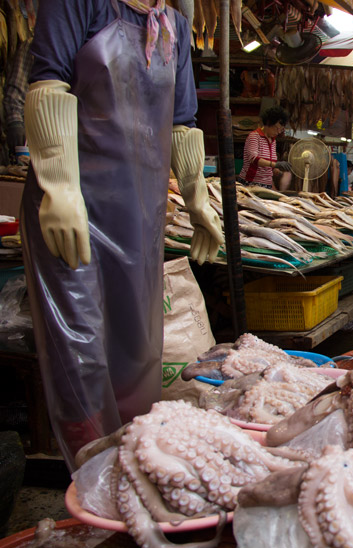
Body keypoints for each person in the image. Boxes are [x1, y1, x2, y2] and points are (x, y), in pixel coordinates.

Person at [21, 0, 224, 470]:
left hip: (139, 212)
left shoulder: (174, 25)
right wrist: (59, 185)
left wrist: (197, 199)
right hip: (72, 207)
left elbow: (181, 122)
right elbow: (48, 83)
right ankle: (92, 471)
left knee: (138, 349)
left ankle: (134, 465)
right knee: (81, 351)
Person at [238, 106, 290, 190]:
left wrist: (278, 171)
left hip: (266, 185)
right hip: (250, 183)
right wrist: (275, 164)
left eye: (281, 129)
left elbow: (268, 166)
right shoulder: (254, 136)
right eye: (277, 128)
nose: (278, 132)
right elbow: (254, 159)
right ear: (268, 123)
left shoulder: (273, 141)